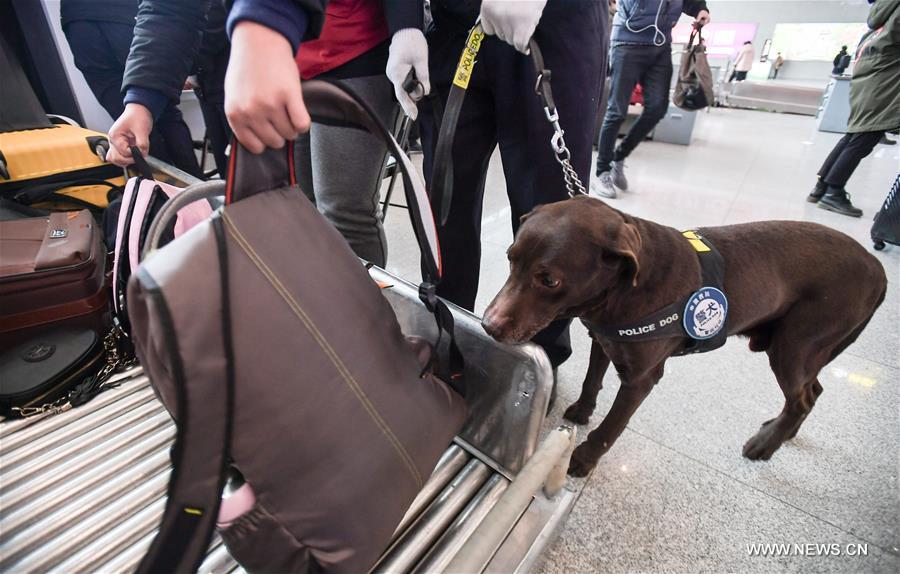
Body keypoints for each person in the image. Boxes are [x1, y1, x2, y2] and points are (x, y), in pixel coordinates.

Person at [107, 0, 426, 267]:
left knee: (343, 211)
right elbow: (172, 6)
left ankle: (362, 323)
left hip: (352, 45)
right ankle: (323, 310)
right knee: (301, 209)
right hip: (282, 58)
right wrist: (142, 100)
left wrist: (405, 24)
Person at [417, 0, 606, 388]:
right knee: (444, 203)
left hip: (552, 20)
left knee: (552, 215)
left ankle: (538, 358)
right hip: (454, 28)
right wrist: (406, 28)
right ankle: (444, 332)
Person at [60, 0, 202, 177]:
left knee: (130, 124)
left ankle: (163, 194)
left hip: (77, 18)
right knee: (162, 111)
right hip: (124, 13)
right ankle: (196, 190)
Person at [591, 0, 710, 200]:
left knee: (657, 108)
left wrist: (700, 9)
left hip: (660, 45)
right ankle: (602, 172)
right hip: (627, 42)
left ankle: (619, 157)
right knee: (616, 110)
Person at [807, 0, 900, 217]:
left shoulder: (881, 14)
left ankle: (821, 187)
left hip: (870, 78)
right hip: (883, 80)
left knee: (853, 136)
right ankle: (833, 192)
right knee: (864, 138)